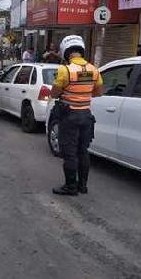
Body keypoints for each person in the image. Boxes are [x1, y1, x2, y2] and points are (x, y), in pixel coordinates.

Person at [51, 35, 103, 196]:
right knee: (83, 151)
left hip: (70, 116)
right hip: (86, 116)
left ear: (66, 52)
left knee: (69, 153)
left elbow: (54, 93)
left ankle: (70, 187)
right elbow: (98, 92)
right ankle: (83, 186)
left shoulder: (65, 70)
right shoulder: (94, 70)